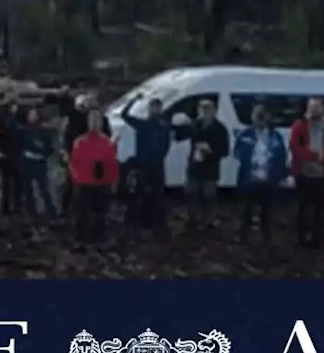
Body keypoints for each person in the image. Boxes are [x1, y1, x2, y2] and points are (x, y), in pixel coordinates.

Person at [232, 104, 288, 244]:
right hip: (249, 180)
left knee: (267, 213)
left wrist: (280, 175)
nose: (260, 120)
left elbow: (282, 156)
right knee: (246, 211)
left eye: (262, 116)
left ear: (268, 118)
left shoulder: (275, 136)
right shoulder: (245, 134)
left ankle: (266, 239)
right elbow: (236, 153)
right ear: (252, 117)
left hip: (268, 181)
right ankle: (243, 237)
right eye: (257, 116)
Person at [288, 98, 324, 248]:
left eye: (318, 107)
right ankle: (301, 238)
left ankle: (317, 239)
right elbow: (294, 146)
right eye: (312, 107)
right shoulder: (300, 125)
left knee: (320, 209)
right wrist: (311, 155)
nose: (315, 110)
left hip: (323, 174)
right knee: (302, 208)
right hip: (304, 173)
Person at [119, 95, 171, 235]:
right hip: (144, 164)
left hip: (156, 164)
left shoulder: (163, 125)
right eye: (153, 108)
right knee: (141, 193)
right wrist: (133, 101)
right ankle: (142, 221)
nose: (155, 110)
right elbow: (124, 115)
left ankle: (156, 223)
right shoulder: (143, 124)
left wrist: (160, 156)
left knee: (157, 194)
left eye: (157, 108)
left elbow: (167, 144)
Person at [174, 99, 229, 231]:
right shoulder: (194, 125)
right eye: (202, 109)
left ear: (214, 111)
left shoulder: (220, 129)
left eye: (208, 109)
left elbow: (225, 151)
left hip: (210, 169)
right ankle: (192, 220)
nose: (205, 113)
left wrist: (210, 151)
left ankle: (209, 222)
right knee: (191, 194)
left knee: (209, 196)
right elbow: (180, 136)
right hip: (194, 167)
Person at [69, 110, 118, 246]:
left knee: (90, 213)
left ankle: (85, 238)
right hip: (94, 183)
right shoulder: (105, 143)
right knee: (93, 213)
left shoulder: (82, 142)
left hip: (89, 183)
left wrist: (75, 180)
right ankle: (92, 238)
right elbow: (112, 164)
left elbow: (74, 163)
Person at [0, 92, 25, 217]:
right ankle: (5, 208)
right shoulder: (0, 117)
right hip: (5, 153)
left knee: (19, 183)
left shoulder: (22, 116)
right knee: (6, 183)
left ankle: (17, 207)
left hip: (19, 153)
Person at [17, 107, 57, 217]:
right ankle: (31, 211)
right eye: (30, 115)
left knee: (43, 188)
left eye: (34, 115)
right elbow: (19, 145)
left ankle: (50, 211)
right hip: (27, 161)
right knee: (27, 188)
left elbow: (50, 148)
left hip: (39, 162)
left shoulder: (43, 131)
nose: (32, 117)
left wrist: (43, 151)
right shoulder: (23, 130)